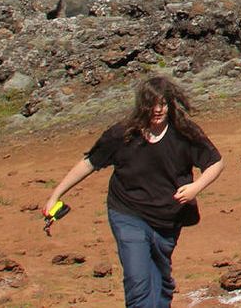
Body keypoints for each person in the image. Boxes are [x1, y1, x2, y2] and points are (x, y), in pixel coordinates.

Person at [44, 75, 225, 308]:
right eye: (152, 104)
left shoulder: (184, 132)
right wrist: (55, 196)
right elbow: (89, 163)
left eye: (163, 104)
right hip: (127, 212)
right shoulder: (122, 133)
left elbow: (216, 162)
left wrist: (196, 187)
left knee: (161, 279)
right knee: (137, 278)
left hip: (167, 217)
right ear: (142, 105)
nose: (158, 110)